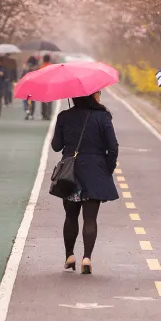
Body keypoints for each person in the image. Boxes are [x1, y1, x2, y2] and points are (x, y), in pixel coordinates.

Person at [51, 90, 119, 274]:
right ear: (92, 95)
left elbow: (56, 146)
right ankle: (87, 258)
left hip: (70, 174)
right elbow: (113, 147)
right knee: (90, 218)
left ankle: (69, 255)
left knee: (70, 216)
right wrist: (108, 168)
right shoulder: (102, 117)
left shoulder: (64, 116)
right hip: (95, 172)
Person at [22, 55, 41, 119]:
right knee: (31, 101)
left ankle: (28, 111)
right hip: (33, 88)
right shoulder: (36, 70)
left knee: (26, 100)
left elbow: (21, 78)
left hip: (27, 88)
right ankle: (31, 113)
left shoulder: (25, 70)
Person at [39, 54, 55, 120]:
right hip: (50, 87)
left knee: (43, 101)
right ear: (49, 60)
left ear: (43, 60)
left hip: (42, 87)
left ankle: (43, 114)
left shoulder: (41, 67)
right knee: (50, 102)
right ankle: (48, 114)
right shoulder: (52, 67)